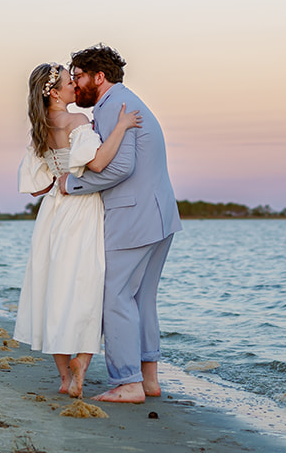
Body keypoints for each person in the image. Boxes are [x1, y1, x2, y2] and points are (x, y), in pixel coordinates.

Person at [58, 44, 181, 404]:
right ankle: (148, 380)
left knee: (113, 295)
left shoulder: (113, 106)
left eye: (78, 76)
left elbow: (119, 167)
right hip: (159, 215)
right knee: (141, 298)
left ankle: (127, 383)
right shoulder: (127, 101)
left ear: (99, 77)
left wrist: (71, 184)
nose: (75, 84)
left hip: (133, 215)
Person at [15, 61, 141, 398]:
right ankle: (81, 365)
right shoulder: (78, 121)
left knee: (53, 288)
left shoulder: (41, 128)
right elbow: (97, 163)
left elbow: (37, 187)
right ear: (55, 93)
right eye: (70, 83)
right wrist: (122, 127)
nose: (76, 87)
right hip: (82, 209)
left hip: (53, 211)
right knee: (86, 286)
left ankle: (63, 378)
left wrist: (60, 174)